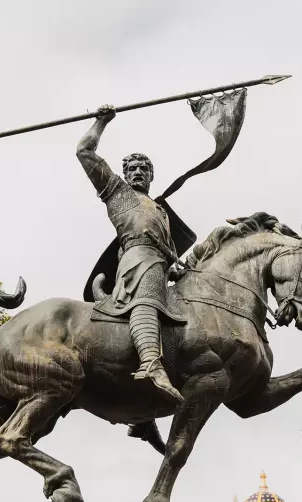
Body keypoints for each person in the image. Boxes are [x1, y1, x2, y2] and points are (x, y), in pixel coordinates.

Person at [76, 104, 183, 405]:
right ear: (124, 175)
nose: (137, 172)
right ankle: (150, 362)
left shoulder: (160, 211)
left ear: (151, 175)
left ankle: (143, 416)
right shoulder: (118, 194)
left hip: (161, 266)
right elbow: (84, 151)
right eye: (131, 169)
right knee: (148, 289)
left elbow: (171, 255)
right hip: (138, 263)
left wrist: (177, 269)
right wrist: (100, 122)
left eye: (143, 169)